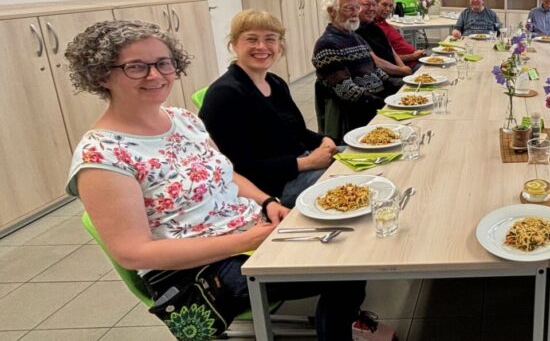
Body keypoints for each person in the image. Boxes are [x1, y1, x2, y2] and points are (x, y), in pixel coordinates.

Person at [65, 19, 365, 340]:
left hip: (248, 232)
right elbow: (133, 252)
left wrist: (266, 202)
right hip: (200, 271)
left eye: (163, 63)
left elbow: (226, 172)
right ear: (101, 74)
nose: (155, 75)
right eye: (136, 67)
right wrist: (247, 241)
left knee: (351, 239)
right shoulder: (102, 155)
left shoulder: (182, 119)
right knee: (345, 267)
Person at [199, 10, 337, 207]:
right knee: (358, 179)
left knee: (365, 159)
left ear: (280, 45)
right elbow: (238, 168)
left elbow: (296, 131)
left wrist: (324, 139)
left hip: (299, 164)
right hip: (272, 188)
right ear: (234, 44)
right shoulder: (226, 94)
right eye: (252, 39)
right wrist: (309, 163)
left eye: (270, 39)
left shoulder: (276, 83)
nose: (262, 46)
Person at [313, 0, 399, 139]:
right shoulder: (327, 45)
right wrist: (385, 104)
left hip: (373, 105)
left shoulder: (355, 37)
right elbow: (348, 92)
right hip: (354, 117)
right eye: (348, 8)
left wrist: (401, 88)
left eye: (356, 8)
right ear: (332, 11)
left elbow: (376, 72)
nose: (355, 13)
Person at [353, 0, 412, 77]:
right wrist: (402, 70)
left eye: (373, 5)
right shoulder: (354, 32)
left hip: (400, 71)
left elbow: (391, 50)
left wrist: (404, 69)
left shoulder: (374, 27)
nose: (372, 8)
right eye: (367, 4)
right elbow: (374, 60)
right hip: (385, 76)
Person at [374, 0, 426, 66]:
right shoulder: (373, 29)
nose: (388, 9)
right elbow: (384, 59)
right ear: (374, 4)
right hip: (410, 65)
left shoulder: (384, 23)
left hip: (416, 60)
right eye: (384, 5)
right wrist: (412, 56)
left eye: (391, 6)